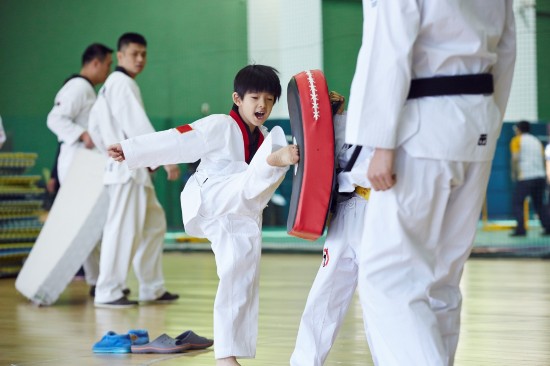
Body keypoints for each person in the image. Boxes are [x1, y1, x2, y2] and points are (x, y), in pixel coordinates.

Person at [345, 1, 516, 365]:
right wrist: (487, 123)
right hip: (478, 122)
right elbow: (507, 49)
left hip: (422, 126)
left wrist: (381, 142)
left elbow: (388, 45)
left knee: (387, 277)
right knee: (442, 279)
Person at [107, 64, 299, 366]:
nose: (262, 105)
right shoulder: (220, 124)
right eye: (255, 98)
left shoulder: (262, 138)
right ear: (237, 98)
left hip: (239, 215)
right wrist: (132, 150)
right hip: (211, 198)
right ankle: (277, 161)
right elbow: (178, 139)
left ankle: (227, 356)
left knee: (240, 278)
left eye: (269, 99)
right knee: (265, 160)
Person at [88, 33, 181, 308]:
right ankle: (108, 290)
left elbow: (94, 127)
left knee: (154, 225)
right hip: (126, 170)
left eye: (144, 54)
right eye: (134, 54)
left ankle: (151, 287)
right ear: (120, 56)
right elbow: (138, 125)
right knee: (123, 230)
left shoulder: (108, 86)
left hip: (130, 169)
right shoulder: (122, 83)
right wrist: (167, 158)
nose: (140, 59)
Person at [290, 92, 372, 366]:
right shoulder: (312, 136)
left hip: (376, 211)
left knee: (378, 296)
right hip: (344, 214)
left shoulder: (362, 125)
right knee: (324, 293)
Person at [46, 43, 113, 294]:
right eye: (107, 65)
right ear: (95, 63)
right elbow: (54, 118)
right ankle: (95, 280)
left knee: (91, 225)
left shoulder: (87, 90)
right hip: (77, 164)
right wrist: (81, 133)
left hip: (85, 163)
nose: (108, 71)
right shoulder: (78, 87)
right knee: (87, 225)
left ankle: (96, 281)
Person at [509, 120, 550, 236]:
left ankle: (521, 229)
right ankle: (548, 227)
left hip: (526, 177)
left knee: (517, 202)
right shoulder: (536, 141)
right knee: (539, 203)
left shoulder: (517, 140)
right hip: (540, 177)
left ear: (518, 129)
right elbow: (543, 160)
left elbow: (515, 158)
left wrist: (514, 173)